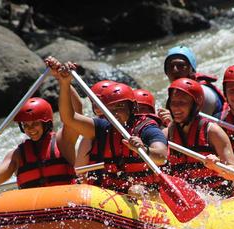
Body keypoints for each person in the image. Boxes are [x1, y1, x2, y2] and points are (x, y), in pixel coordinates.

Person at [45, 56, 168, 195]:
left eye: (120, 106)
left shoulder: (147, 128)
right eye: (110, 108)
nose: (114, 112)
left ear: (133, 107)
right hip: (110, 194)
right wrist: (65, 83)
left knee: (135, 190)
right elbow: (69, 118)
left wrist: (144, 149)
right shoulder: (102, 127)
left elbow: (162, 156)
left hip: (145, 193)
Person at [0, 97, 79, 189]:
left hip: (65, 202)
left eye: (35, 123)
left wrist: (65, 81)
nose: (30, 129)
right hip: (35, 208)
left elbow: (77, 112)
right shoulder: (17, 154)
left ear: (46, 124)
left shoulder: (63, 141)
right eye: (26, 125)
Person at [163, 77, 234, 197]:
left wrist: (217, 167)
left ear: (195, 106)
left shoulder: (213, 132)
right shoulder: (166, 135)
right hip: (187, 198)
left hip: (219, 196)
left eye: (182, 103)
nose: (176, 108)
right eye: (173, 103)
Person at [158, 45, 226, 125]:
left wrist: (171, 122)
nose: (175, 70)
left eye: (181, 66)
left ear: (192, 70)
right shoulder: (176, 94)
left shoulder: (203, 93)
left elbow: (193, 130)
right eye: (170, 66)